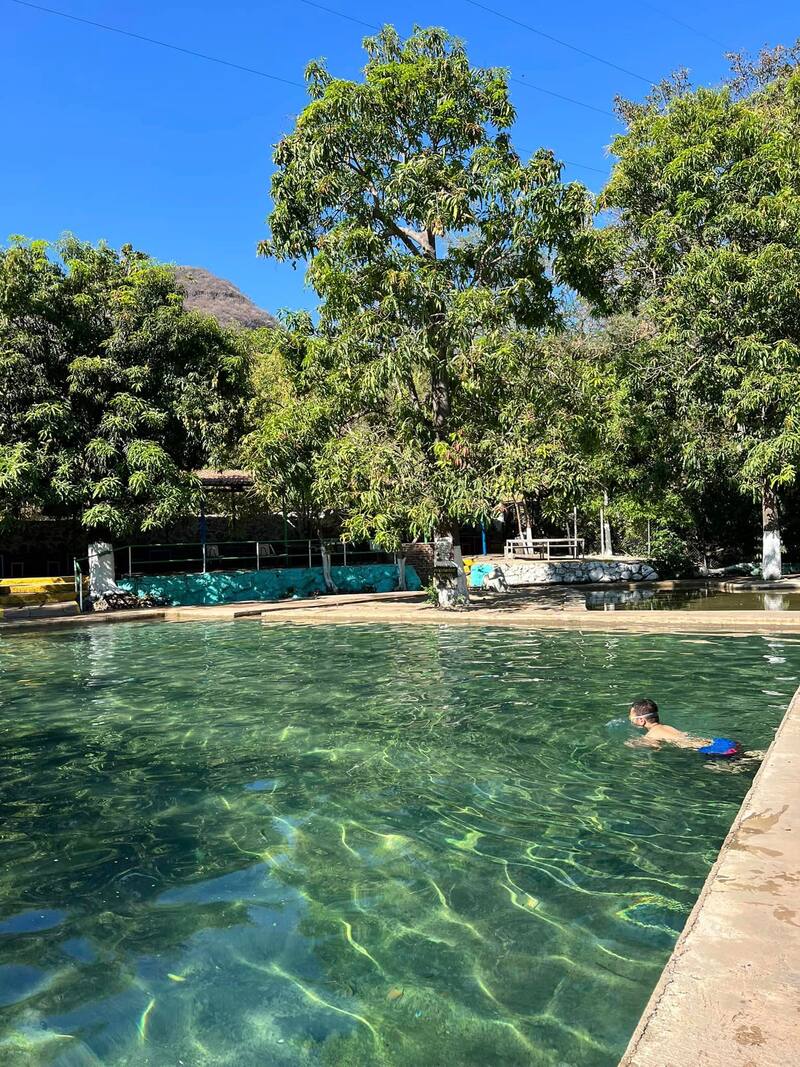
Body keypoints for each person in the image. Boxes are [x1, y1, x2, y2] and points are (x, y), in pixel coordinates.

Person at [626, 698, 743, 758]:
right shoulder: (666, 727)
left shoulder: (652, 734)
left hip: (712, 751)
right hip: (718, 742)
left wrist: (634, 744)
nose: (629, 719)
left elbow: (655, 747)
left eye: (631, 717)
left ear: (641, 720)